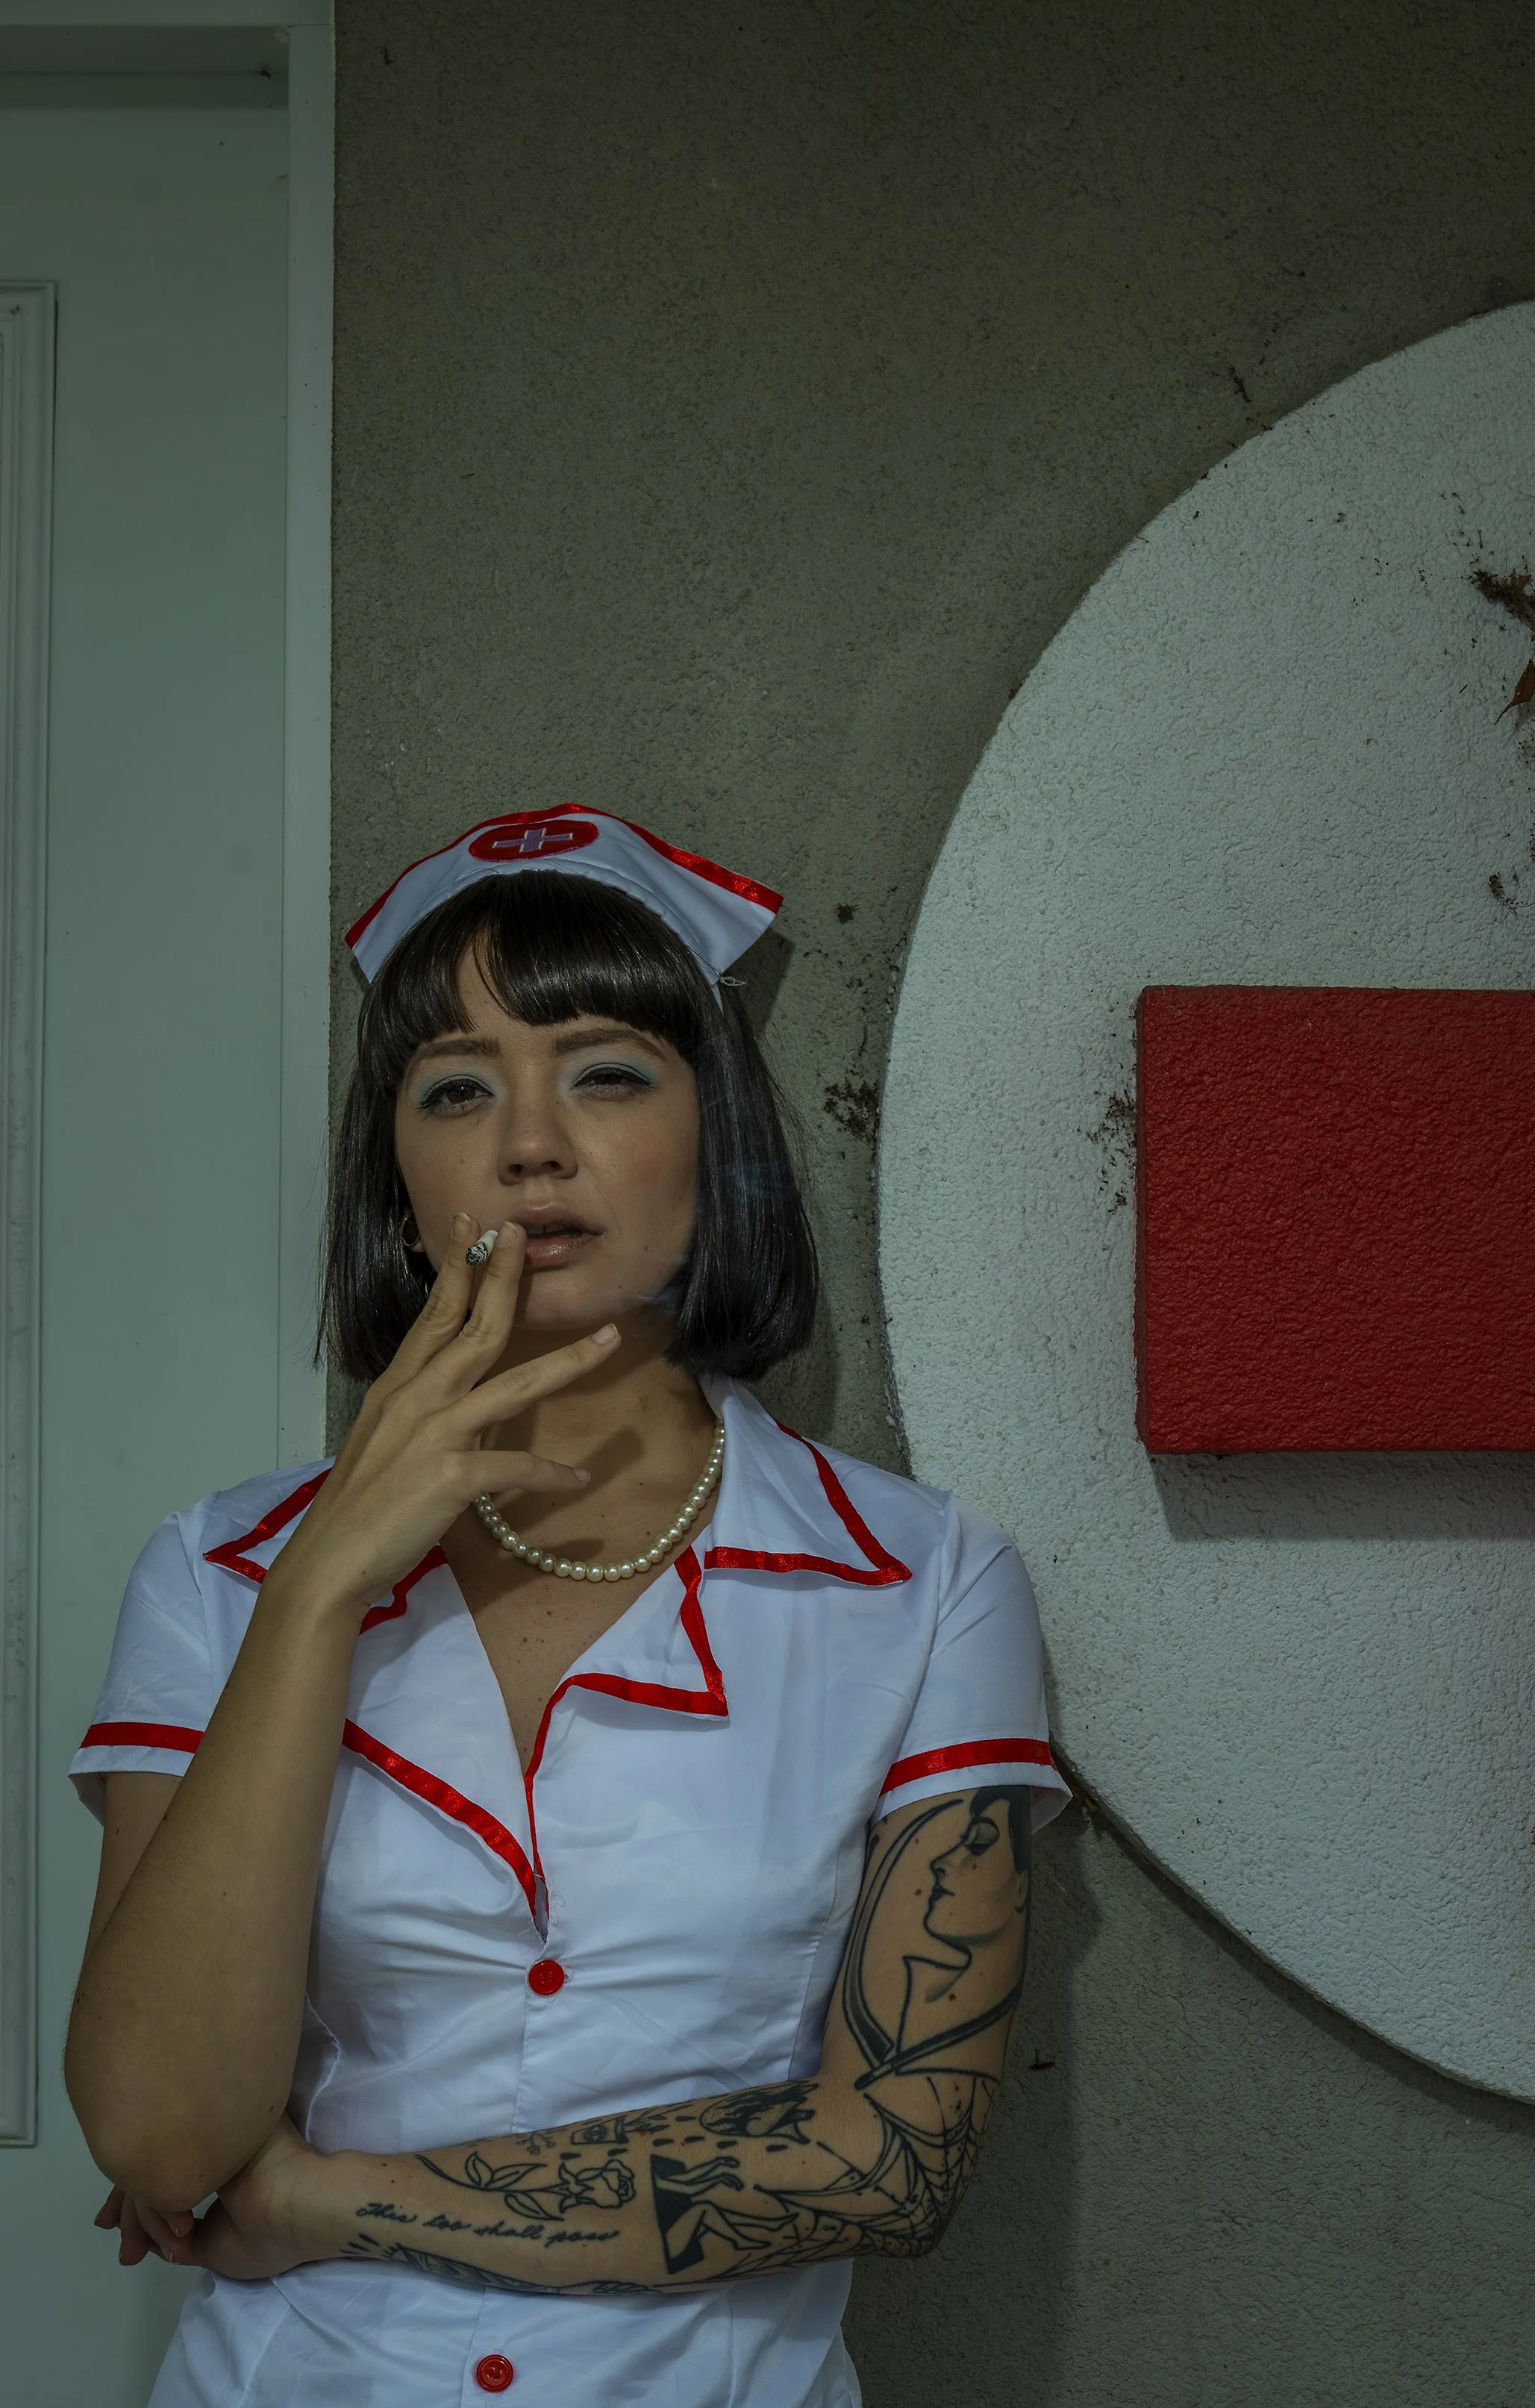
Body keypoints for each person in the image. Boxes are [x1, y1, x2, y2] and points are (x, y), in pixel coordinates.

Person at [66, 804, 1063, 2407]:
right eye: (458, 1088)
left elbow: (895, 2158)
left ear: (715, 1141)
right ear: (396, 1178)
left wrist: (332, 2196)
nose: (531, 1143)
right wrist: (321, 1587)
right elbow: (160, 2137)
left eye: (606, 1072)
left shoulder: (922, 1581)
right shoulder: (219, 1571)